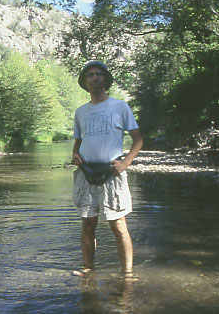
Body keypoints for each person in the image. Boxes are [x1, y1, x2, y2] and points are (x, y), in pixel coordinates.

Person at [71, 61, 143, 280]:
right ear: (85, 82)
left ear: (105, 80)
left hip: (113, 173)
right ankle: (88, 269)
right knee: (88, 223)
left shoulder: (120, 107)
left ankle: (128, 274)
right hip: (85, 173)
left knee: (119, 224)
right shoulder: (80, 112)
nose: (94, 78)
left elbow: (138, 140)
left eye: (99, 74)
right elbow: (77, 141)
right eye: (90, 75)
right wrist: (75, 154)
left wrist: (125, 163)